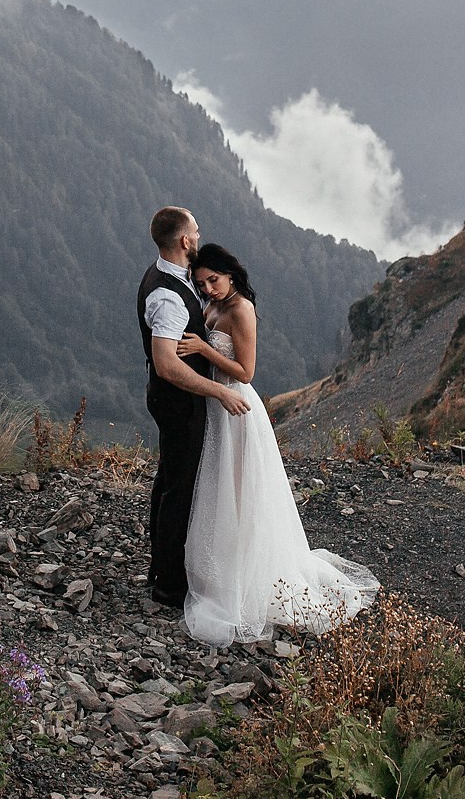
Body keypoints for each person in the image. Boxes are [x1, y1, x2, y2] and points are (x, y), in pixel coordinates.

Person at [178, 242, 380, 646]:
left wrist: (202, 348)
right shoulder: (213, 306)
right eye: (202, 284)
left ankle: (248, 574)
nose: (209, 289)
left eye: (213, 280)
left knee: (240, 493)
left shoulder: (241, 310)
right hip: (218, 406)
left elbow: (247, 371)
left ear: (230, 273)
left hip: (237, 407)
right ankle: (223, 568)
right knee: (220, 488)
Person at [138, 206, 249, 608]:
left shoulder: (174, 280)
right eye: (196, 232)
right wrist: (218, 392)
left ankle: (161, 570)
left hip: (173, 401)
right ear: (185, 240)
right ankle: (169, 587)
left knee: (169, 482)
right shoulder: (168, 295)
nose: (199, 237)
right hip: (179, 403)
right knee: (180, 491)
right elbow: (168, 364)